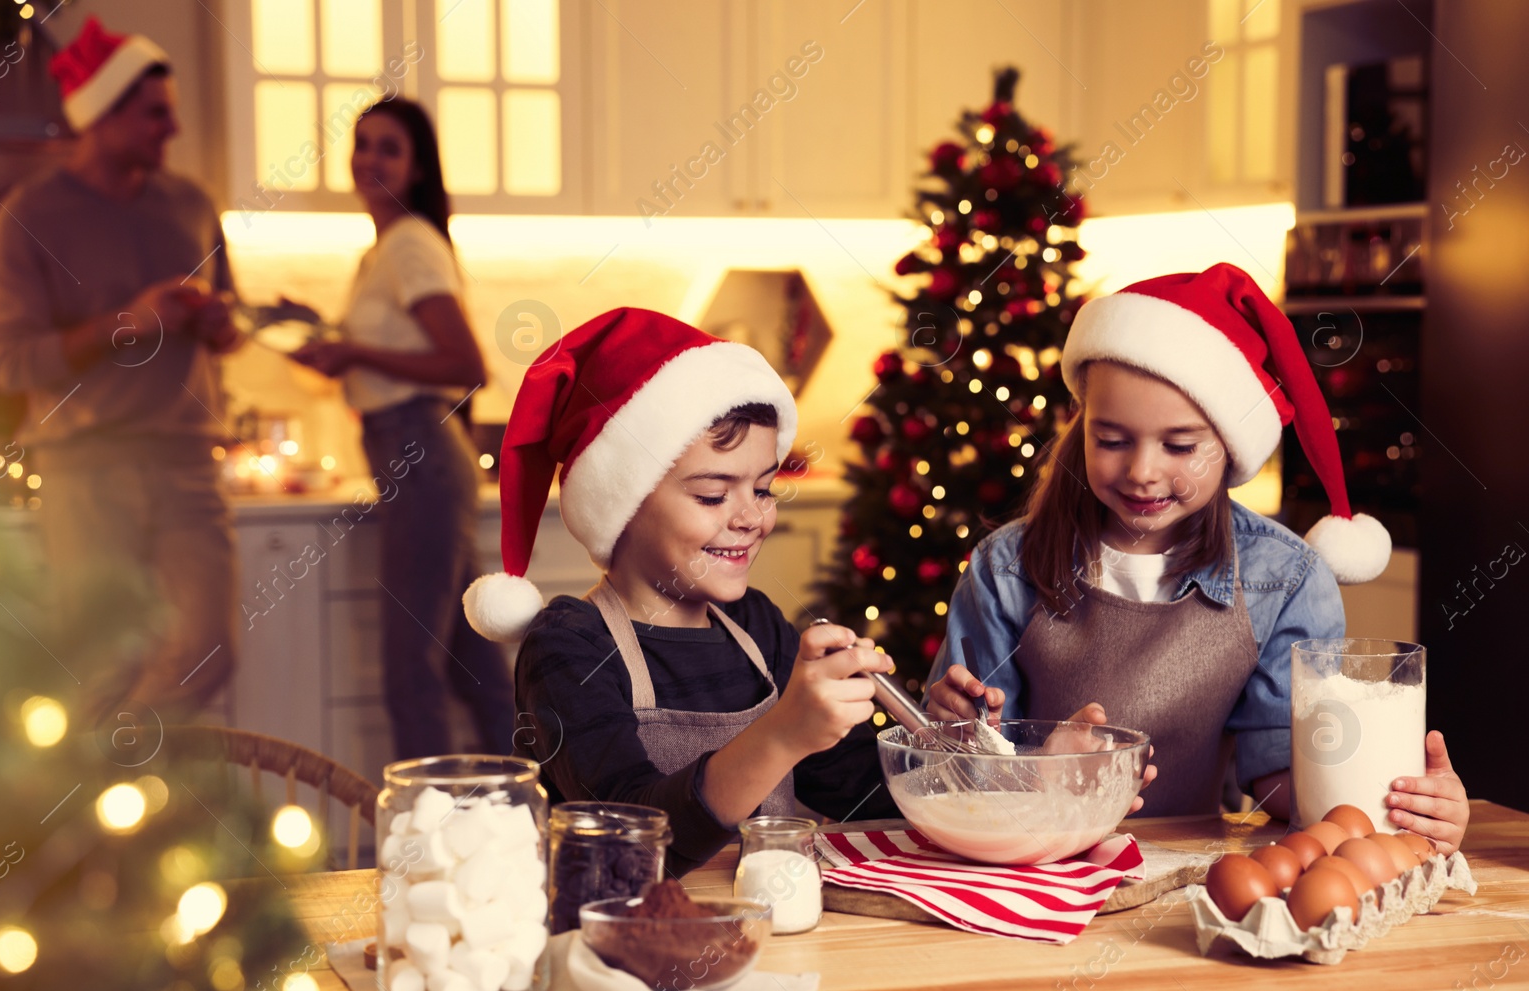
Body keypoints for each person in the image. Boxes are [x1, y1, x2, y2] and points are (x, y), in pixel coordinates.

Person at [927, 264, 1470, 852]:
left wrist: (1405, 801)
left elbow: (1277, 779)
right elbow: (960, 775)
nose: (1141, 472)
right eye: (1110, 440)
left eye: (1180, 446)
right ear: (1081, 427)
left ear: (1230, 449)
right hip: (1031, 863)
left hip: (1183, 875)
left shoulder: (1283, 578)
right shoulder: (1005, 569)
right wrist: (972, 737)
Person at [463, 308, 901, 872]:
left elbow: (856, 789)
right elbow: (636, 843)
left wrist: (942, 747)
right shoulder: (570, 649)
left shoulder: (757, 626)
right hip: (618, 943)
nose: (752, 517)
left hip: (768, 928)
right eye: (713, 496)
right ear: (622, 505)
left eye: (764, 488)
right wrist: (782, 735)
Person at [0, 17, 240, 721]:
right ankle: (106, 812)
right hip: (86, 468)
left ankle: (127, 786)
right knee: (99, 663)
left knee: (208, 648)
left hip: (188, 461)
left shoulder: (190, 204)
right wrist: (130, 321)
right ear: (102, 114)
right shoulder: (30, 217)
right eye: (157, 114)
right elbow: (7, 361)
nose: (173, 129)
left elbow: (230, 318)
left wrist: (220, 325)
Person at [290, 98, 513, 758]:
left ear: (417, 169)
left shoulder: (411, 244)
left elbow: (466, 364)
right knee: (471, 665)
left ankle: (425, 835)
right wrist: (331, 341)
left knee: (410, 669)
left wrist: (355, 352)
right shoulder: (385, 250)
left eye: (389, 147)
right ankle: (531, 812)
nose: (369, 159)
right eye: (361, 144)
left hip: (421, 453)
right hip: (415, 455)